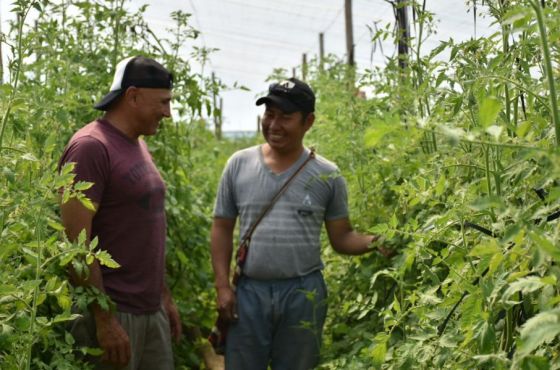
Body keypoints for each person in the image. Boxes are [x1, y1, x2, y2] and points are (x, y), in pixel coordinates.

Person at [210, 78, 392, 370]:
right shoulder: (239, 165)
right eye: (269, 114)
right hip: (249, 293)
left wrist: (376, 241)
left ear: (308, 122)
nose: (274, 124)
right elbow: (221, 227)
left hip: (303, 295)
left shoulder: (327, 175)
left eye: (285, 117)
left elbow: (342, 237)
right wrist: (222, 286)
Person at [59, 56, 181, 369]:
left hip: (149, 310)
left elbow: (146, 229)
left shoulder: (137, 144)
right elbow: (77, 246)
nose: (168, 113)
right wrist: (105, 320)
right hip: (114, 313)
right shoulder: (91, 147)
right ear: (133, 96)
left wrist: (163, 297)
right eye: (163, 102)